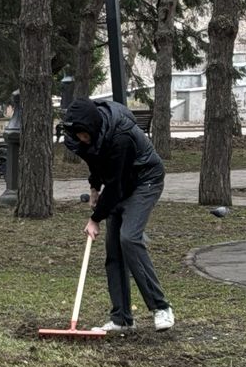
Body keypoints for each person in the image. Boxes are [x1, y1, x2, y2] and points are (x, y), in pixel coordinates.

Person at [60, 97, 175, 332]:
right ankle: (122, 318)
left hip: (145, 180)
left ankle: (161, 307)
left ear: (92, 126)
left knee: (129, 238)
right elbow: (96, 163)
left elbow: (116, 186)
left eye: (83, 134)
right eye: (78, 135)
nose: (81, 139)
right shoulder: (86, 137)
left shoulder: (120, 136)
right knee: (114, 250)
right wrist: (94, 188)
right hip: (121, 181)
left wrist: (95, 219)